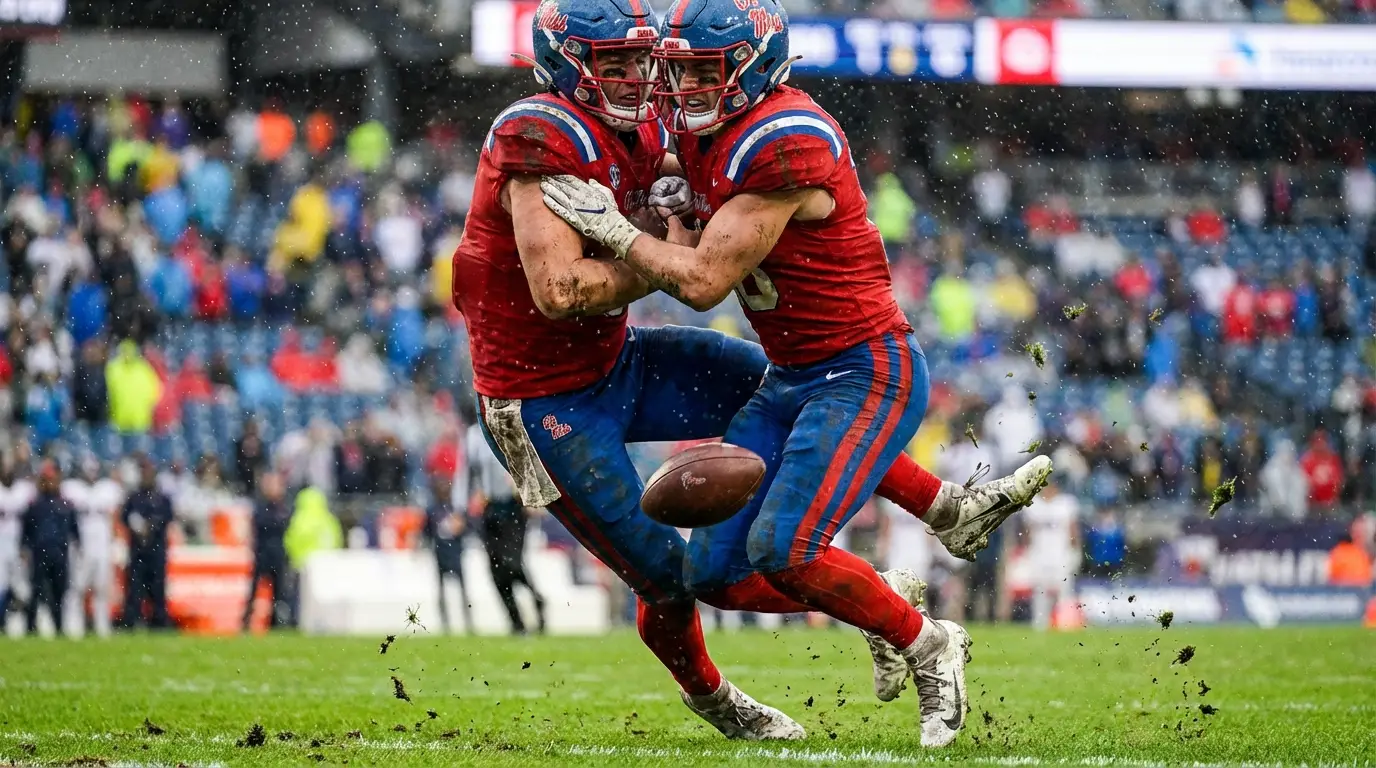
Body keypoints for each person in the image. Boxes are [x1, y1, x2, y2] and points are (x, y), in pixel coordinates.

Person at [452, 0, 1010, 740]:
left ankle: (944, 511)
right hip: (543, 399)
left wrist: (645, 240)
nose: (638, 78)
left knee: (783, 390)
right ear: (567, 64)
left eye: (641, 60)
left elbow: (690, 259)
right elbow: (561, 293)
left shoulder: (674, 123)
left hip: (620, 360)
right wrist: (654, 251)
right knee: (672, 576)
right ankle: (718, 700)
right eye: (612, 63)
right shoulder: (539, 136)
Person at [465, 421, 545, 635]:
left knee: (511, 562)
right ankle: (516, 622)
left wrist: (532, 498)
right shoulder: (474, 435)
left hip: (514, 508)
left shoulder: (513, 428)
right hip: (489, 509)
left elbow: (529, 465)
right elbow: (467, 473)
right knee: (495, 569)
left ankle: (537, 598)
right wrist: (464, 504)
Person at [61, 458, 124, 637]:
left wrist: (116, 540)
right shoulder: (71, 489)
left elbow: (114, 517)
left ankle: (102, 626)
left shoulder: (108, 489)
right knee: (76, 588)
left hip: (102, 545)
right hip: (80, 546)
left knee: (102, 588)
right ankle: (73, 627)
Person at [20, 462, 78, 636]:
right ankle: (30, 627)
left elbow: (74, 529)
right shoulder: (35, 504)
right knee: (36, 591)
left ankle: (59, 627)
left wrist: (77, 546)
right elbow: (26, 530)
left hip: (60, 552)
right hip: (39, 552)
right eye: (46, 480)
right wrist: (24, 547)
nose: (50, 483)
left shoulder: (65, 504)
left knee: (59, 592)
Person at [120, 458, 175, 629]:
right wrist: (138, 528)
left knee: (157, 588)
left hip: (156, 550)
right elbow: (125, 518)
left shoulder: (162, 499)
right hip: (138, 551)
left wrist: (151, 526)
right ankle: (132, 620)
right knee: (135, 588)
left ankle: (158, 621)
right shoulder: (134, 498)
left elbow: (167, 518)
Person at [243, 472, 294, 631]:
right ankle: (246, 621)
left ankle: (276, 622)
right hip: (262, 554)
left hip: (277, 555)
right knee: (254, 592)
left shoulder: (284, 507)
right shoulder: (261, 507)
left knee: (279, 593)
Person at [423, 475, 472, 634]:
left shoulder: (456, 510)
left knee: (462, 591)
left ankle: (468, 623)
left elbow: (467, 529)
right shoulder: (432, 510)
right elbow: (427, 532)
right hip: (440, 553)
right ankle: (446, 624)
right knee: (442, 591)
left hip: (455, 553)